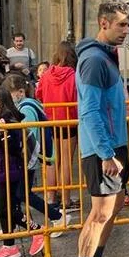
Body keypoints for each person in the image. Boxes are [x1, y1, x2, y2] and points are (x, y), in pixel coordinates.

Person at [70, 0, 129, 257]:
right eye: (121, 24)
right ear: (103, 23)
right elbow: (90, 111)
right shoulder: (94, 60)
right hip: (101, 149)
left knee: (113, 207)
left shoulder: (106, 56)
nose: (126, 30)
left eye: (128, 24)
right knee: (99, 214)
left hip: (114, 145)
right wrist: (106, 153)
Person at [5, 73, 61, 256]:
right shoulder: (27, 105)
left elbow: (29, 135)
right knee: (20, 194)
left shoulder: (27, 108)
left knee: (23, 194)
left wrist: (24, 156)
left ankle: (57, 217)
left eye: (10, 94)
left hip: (28, 158)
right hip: (27, 158)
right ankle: (16, 226)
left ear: (20, 92)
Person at [0, 85, 35, 257]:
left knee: (7, 209)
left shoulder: (8, 120)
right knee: (2, 208)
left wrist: (3, 134)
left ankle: (37, 231)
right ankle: (9, 245)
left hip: (7, 170)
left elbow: (13, 148)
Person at [35, 41, 79, 218]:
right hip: (68, 121)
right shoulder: (73, 75)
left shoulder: (46, 75)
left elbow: (38, 94)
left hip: (49, 120)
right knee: (66, 161)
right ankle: (66, 200)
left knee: (52, 160)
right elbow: (76, 97)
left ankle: (51, 197)